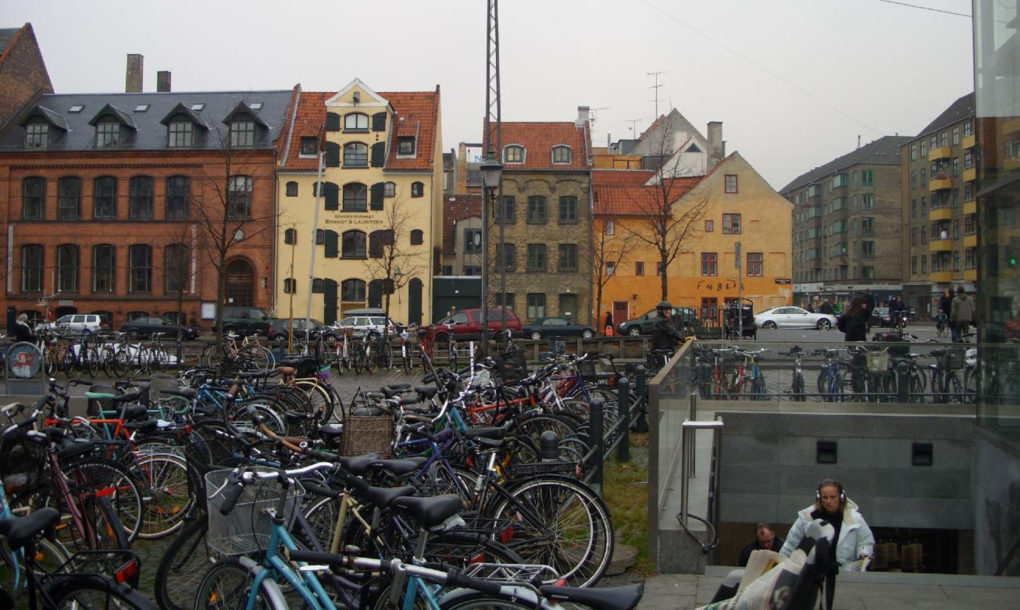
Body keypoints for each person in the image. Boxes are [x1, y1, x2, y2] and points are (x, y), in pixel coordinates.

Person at [780, 479, 874, 609]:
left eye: (832, 497)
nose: (828, 501)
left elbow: (865, 541)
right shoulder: (806, 518)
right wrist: (781, 565)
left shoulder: (854, 518)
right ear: (819, 497)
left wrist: (864, 553)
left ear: (841, 497)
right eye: (825, 497)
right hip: (811, 574)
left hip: (842, 573)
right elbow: (791, 544)